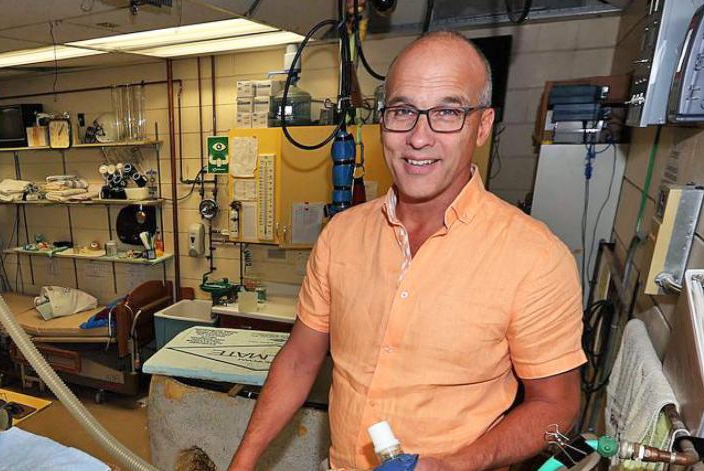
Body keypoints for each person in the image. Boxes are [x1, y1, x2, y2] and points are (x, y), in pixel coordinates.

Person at [229, 31, 585, 471]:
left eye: (448, 112)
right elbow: (301, 359)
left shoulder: (536, 258)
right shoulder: (341, 235)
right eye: (403, 111)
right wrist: (242, 463)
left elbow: (558, 407)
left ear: (484, 125)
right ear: (383, 121)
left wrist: (457, 464)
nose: (419, 137)